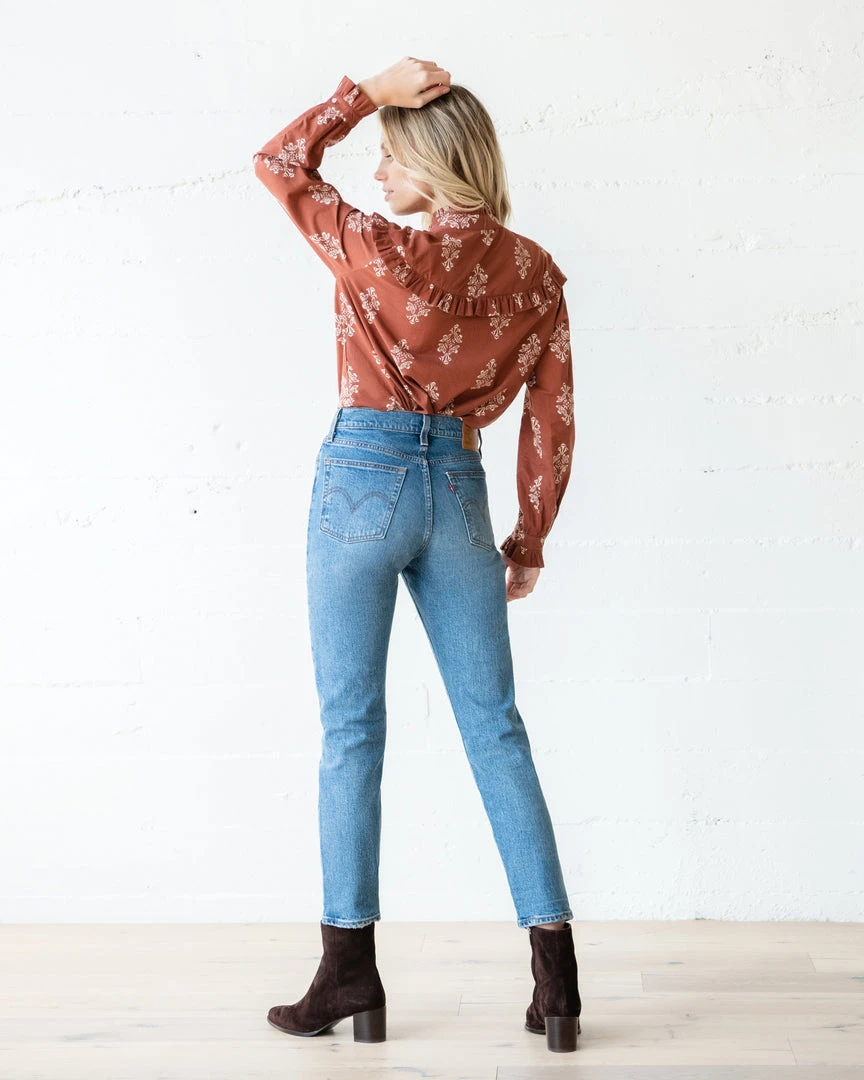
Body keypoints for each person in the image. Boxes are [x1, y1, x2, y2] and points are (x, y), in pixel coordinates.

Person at [253, 57, 582, 1053]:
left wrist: (366, 93)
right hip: (460, 492)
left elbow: (280, 163)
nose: (380, 172)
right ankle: (557, 981)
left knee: (352, 729)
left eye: (394, 156)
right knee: (497, 729)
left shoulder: (376, 246)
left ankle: (348, 971)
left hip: (363, 476)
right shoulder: (536, 273)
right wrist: (530, 535)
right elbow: (552, 416)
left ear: (436, 165)